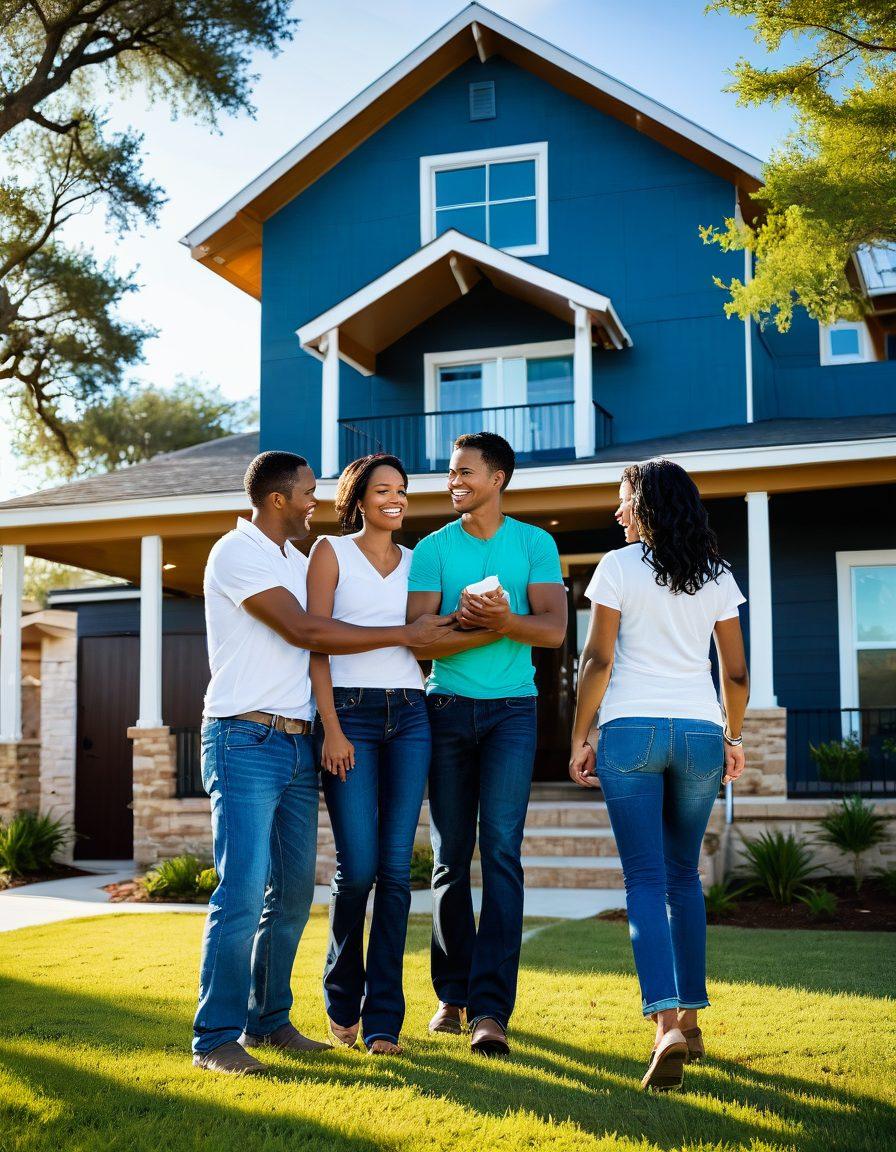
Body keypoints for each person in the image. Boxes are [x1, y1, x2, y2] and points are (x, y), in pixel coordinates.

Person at [193, 450, 453, 1075]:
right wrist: (403, 638)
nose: (317, 501)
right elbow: (309, 634)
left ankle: (270, 1021)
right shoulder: (238, 553)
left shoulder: (296, 558)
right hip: (242, 736)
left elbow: (332, 632)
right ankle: (216, 1038)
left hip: (295, 740)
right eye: (309, 492)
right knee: (242, 889)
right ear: (279, 498)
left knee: (288, 896)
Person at [569, 458, 749, 1091]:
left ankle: (666, 1024)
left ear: (647, 506)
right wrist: (730, 736)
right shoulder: (717, 575)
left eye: (625, 502)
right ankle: (694, 1022)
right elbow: (736, 675)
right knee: (683, 877)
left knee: (645, 877)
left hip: (631, 731)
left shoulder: (617, 568)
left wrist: (579, 733)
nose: (617, 513)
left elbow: (596, 659)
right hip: (700, 733)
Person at [407, 431, 568, 1057]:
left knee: (501, 853)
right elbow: (419, 642)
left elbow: (553, 632)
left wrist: (500, 622)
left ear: (497, 477)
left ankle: (491, 1010)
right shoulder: (431, 549)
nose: (454, 481)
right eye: (451, 473)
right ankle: (452, 995)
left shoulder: (535, 543)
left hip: (512, 714)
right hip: (445, 709)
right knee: (450, 856)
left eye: (465, 472)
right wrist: (489, 628)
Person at [307, 454, 429, 1056]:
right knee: (356, 870)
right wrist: (330, 726)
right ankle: (340, 998)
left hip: (411, 712)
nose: (396, 498)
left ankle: (384, 1021)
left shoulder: (418, 560)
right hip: (349, 713)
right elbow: (317, 642)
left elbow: (428, 637)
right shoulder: (330, 552)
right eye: (384, 490)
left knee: (396, 874)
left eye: (402, 490)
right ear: (359, 497)